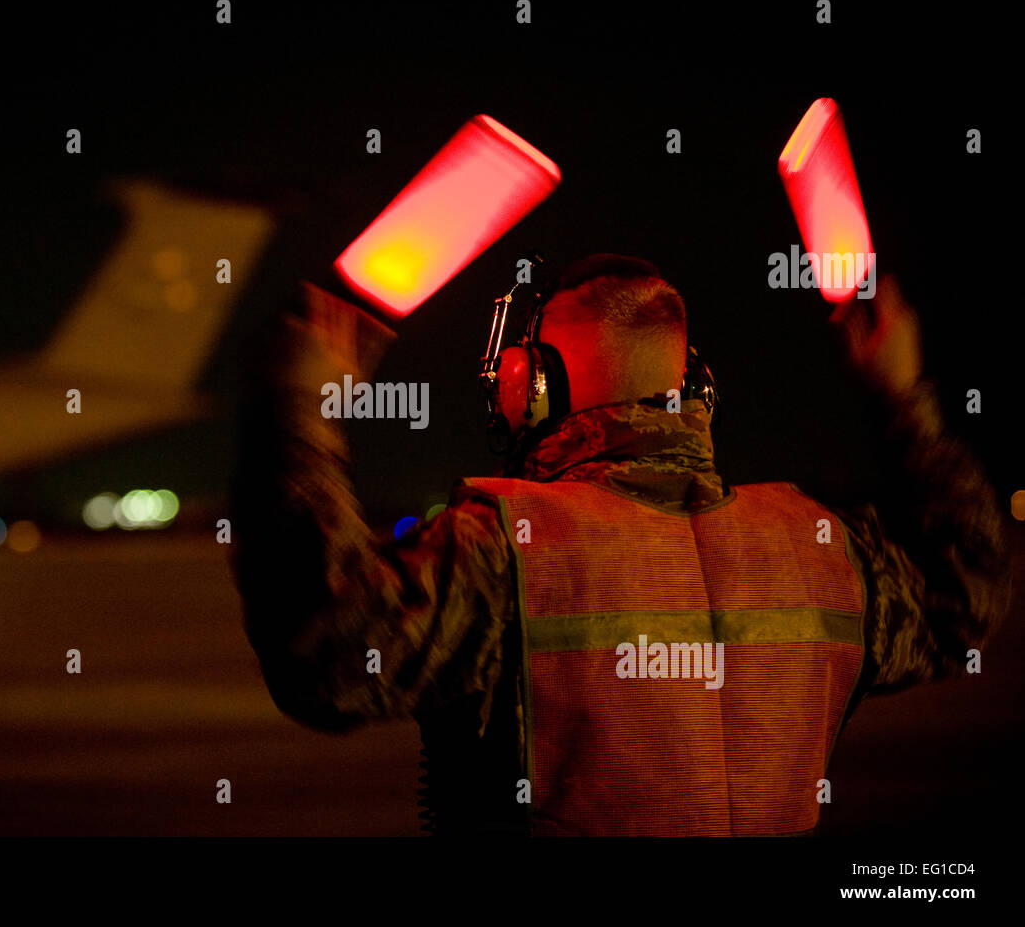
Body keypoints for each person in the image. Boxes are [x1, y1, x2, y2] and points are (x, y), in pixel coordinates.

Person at [230, 253, 1010, 835]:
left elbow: (325, 654)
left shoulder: (506, 549)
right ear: (695, 388)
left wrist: (298, 408)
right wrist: (903, 398)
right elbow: (966, 587)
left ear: (535, 386)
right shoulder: (825, 550)